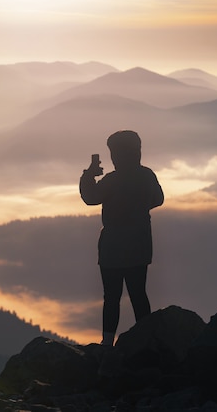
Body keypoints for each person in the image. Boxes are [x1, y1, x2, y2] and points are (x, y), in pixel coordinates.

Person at [79, 130, 164, 346]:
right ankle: (147, 340)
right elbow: (158, 199)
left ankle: (107, 343)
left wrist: (88, 175)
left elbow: (90, 197)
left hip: (112, 248)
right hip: (139, 245)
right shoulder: (147, 176)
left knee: (112, 297)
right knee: (138, 294)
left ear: (115, 155)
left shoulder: (112, 181)